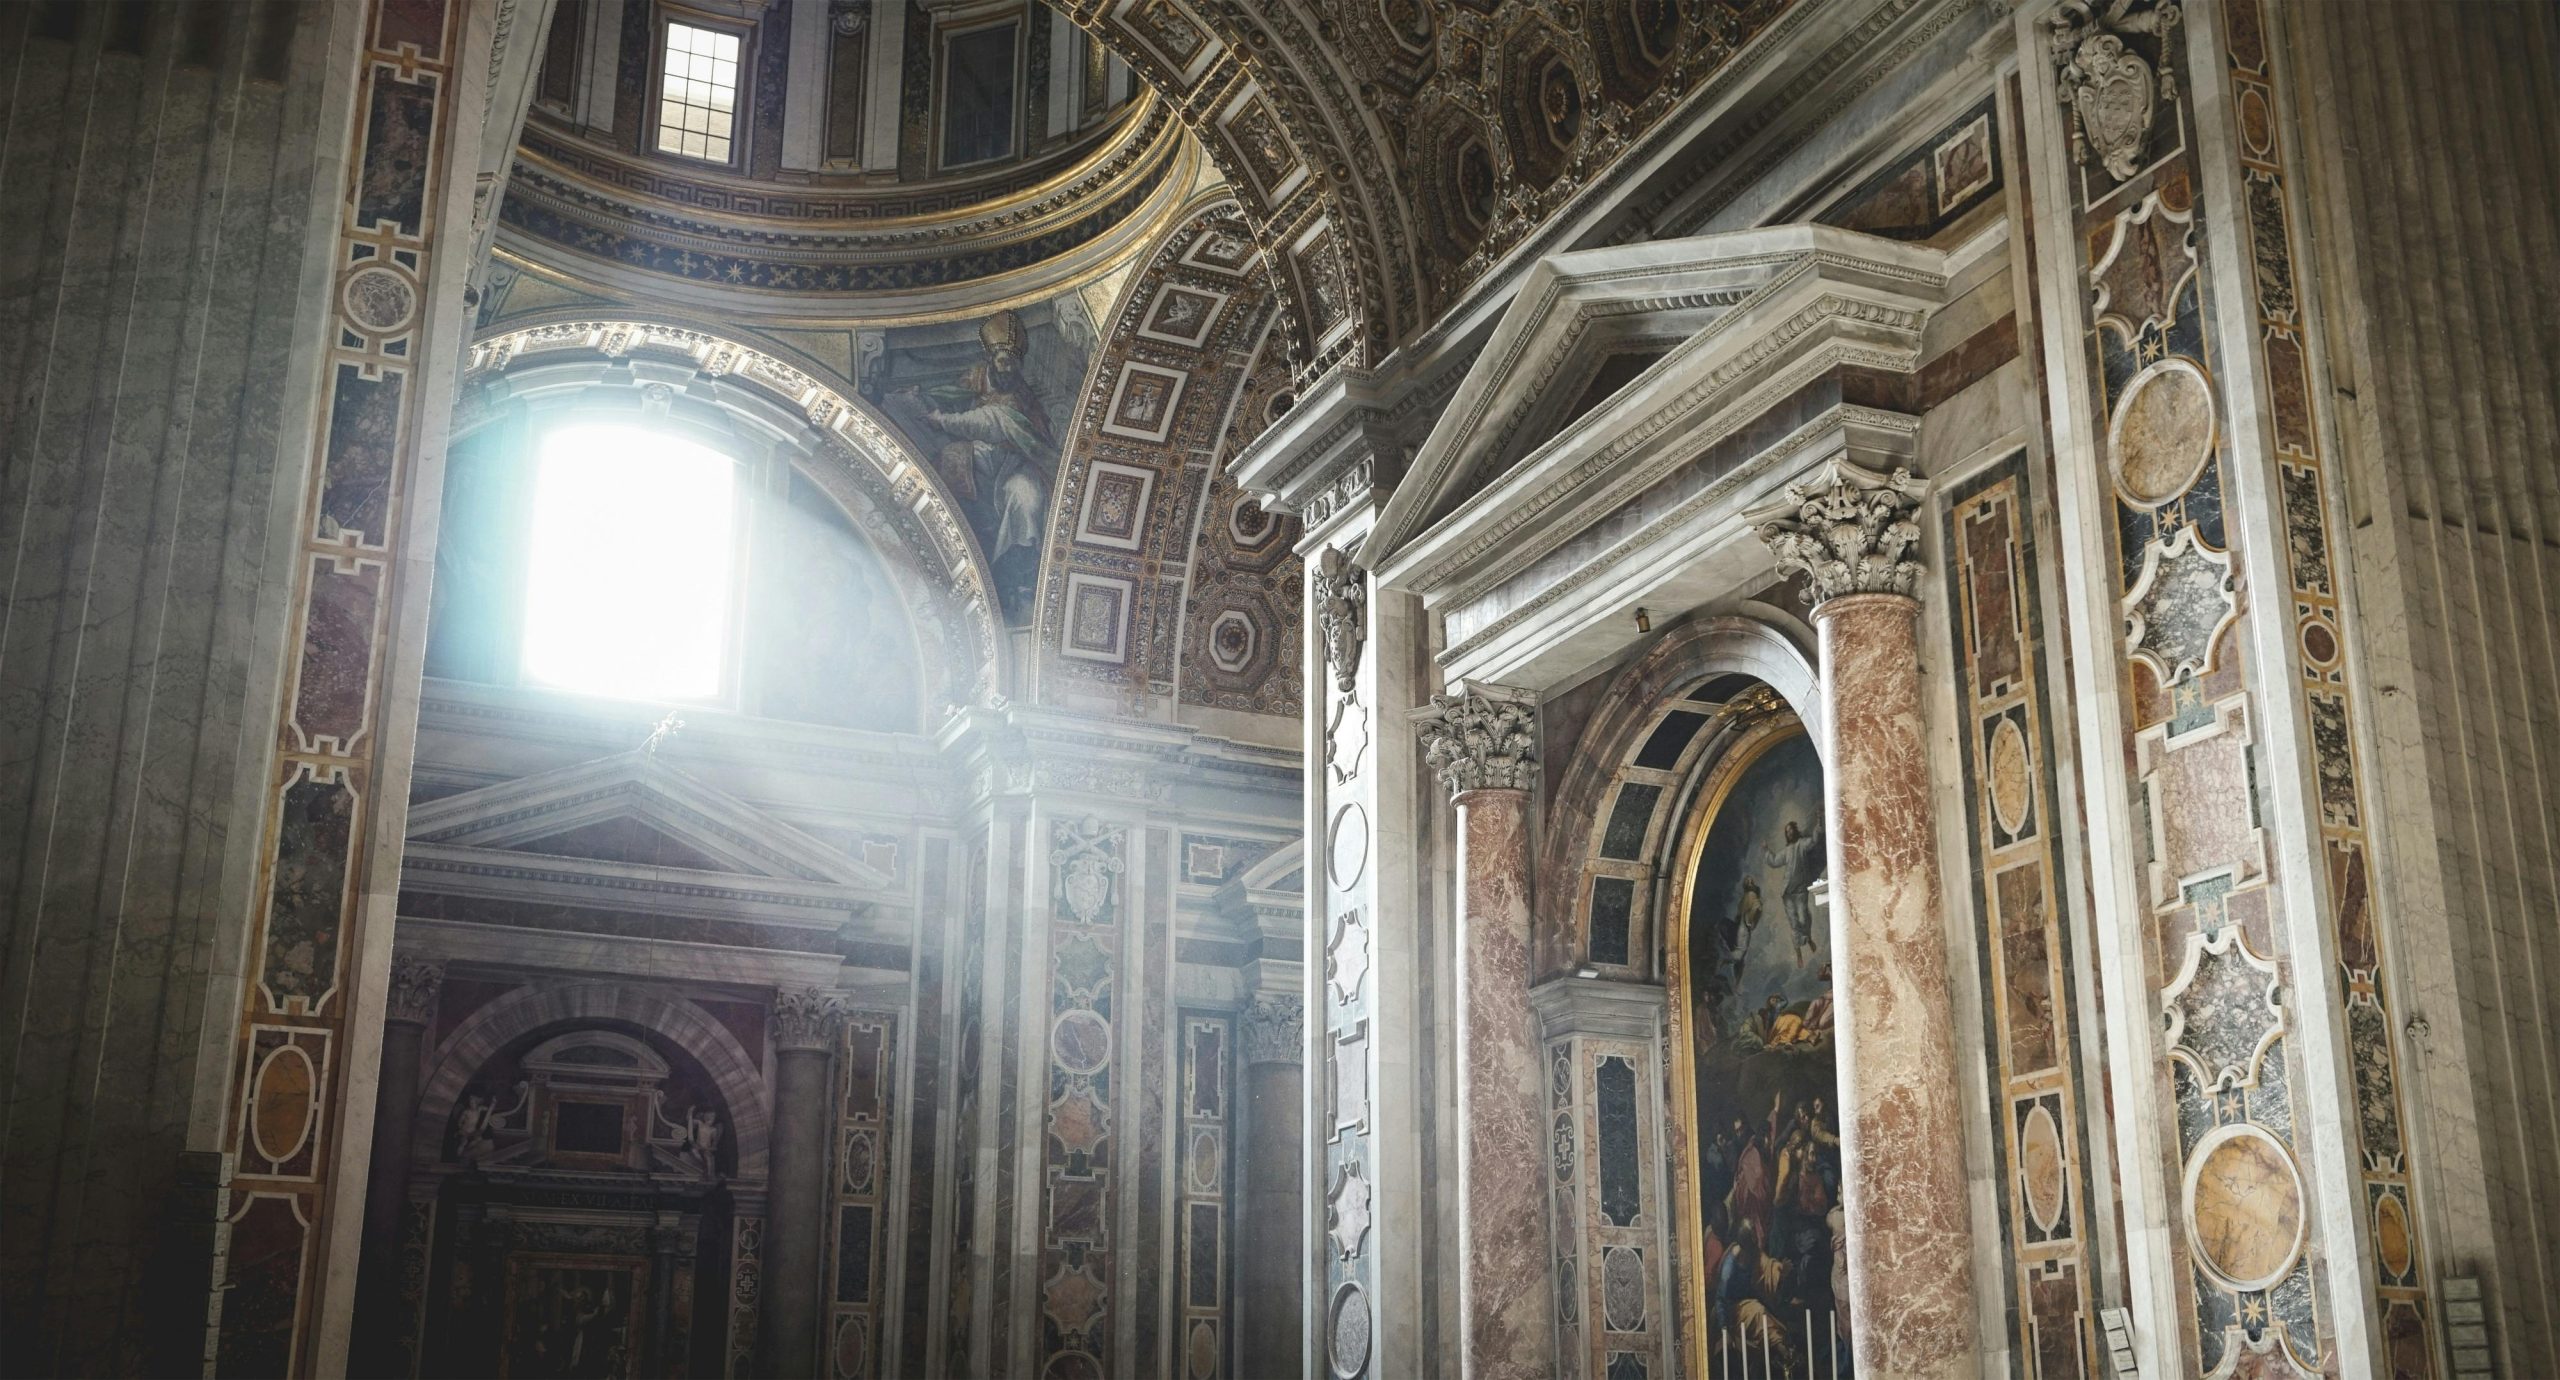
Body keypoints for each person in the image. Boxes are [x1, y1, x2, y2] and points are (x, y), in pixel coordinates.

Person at [1762, 819, 1826, 968]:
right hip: (1788, 893)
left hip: (1801, 891)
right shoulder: (1787, 851)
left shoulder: (1802, 844)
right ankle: (1798, 954)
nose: (1789, 833)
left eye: (1791, 830)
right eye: (1787, 832)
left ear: (1795, 831)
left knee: (1803, 918)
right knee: (1794, 922)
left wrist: (1818, 824)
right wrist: (1766, 850)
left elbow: (1814, 841)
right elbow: (1774, 861)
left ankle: (1808, 938)